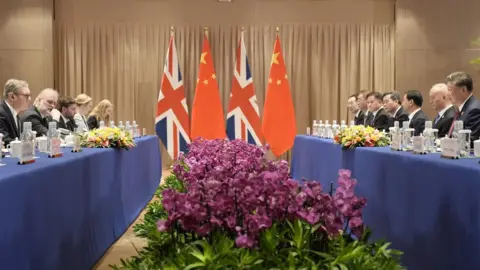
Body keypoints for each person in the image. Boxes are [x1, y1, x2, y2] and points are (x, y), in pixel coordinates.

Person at [446, 71, 480, 142]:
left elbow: (470, 141)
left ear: (463, 90)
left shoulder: (474, 110)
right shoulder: (462, 109)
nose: (447, 94)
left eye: (449, 90)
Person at [0, 79, 31, 145]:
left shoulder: (15, 114)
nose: (29, 99)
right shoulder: (1, 113)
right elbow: (4, 140)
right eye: (26, 96)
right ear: (12, 97)